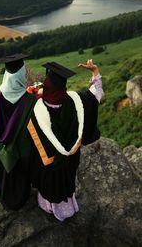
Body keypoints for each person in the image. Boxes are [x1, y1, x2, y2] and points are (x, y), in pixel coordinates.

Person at [27, 59, 104, 221]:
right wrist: (95, 72)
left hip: (50, 164)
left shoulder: (37, 110)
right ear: (63, 88)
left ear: (46, 89)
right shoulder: (77, 101)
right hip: (70, 159)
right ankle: (69, 206)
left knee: (51, 183)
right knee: (67, 180)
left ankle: (50, 207)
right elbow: (96, 94)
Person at [0, 53, 36, 210]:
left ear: (6, 75)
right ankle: (21, 196)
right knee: (21, 173)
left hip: (1, 148)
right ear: (21, 75)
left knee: (3, 169)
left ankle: (3, 194)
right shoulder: (31, 100)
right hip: (22, 150)